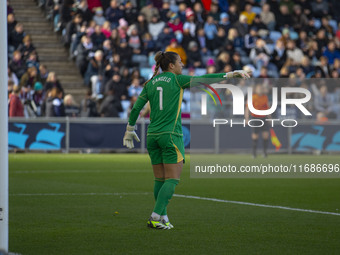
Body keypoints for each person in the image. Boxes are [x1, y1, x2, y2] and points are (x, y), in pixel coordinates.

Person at [122, 51, 250, 229]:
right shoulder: (176, 80)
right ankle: (155, 216)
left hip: (152, 136)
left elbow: (136, 107)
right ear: (171, 66)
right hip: (170, 135)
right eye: (180, 62)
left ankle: (163, 217)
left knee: (160, 179)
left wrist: (130, 128)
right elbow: (204, 79)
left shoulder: (150, 83)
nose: (182, 65)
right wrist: (229, 74)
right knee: (172, 180)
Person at [245, 84, 270, 158]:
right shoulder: (252, 98)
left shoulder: (265, 97)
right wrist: (246, 118)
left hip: (264, 117)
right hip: (255, 117)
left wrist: (269, 117)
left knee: (265, 135)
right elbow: (247, 109)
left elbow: (267, 108)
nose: (260, 90)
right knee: (255, 136)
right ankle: (254, 153)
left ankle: (265, 153)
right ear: (256, 90)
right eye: (258, 89)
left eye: (261, 89)